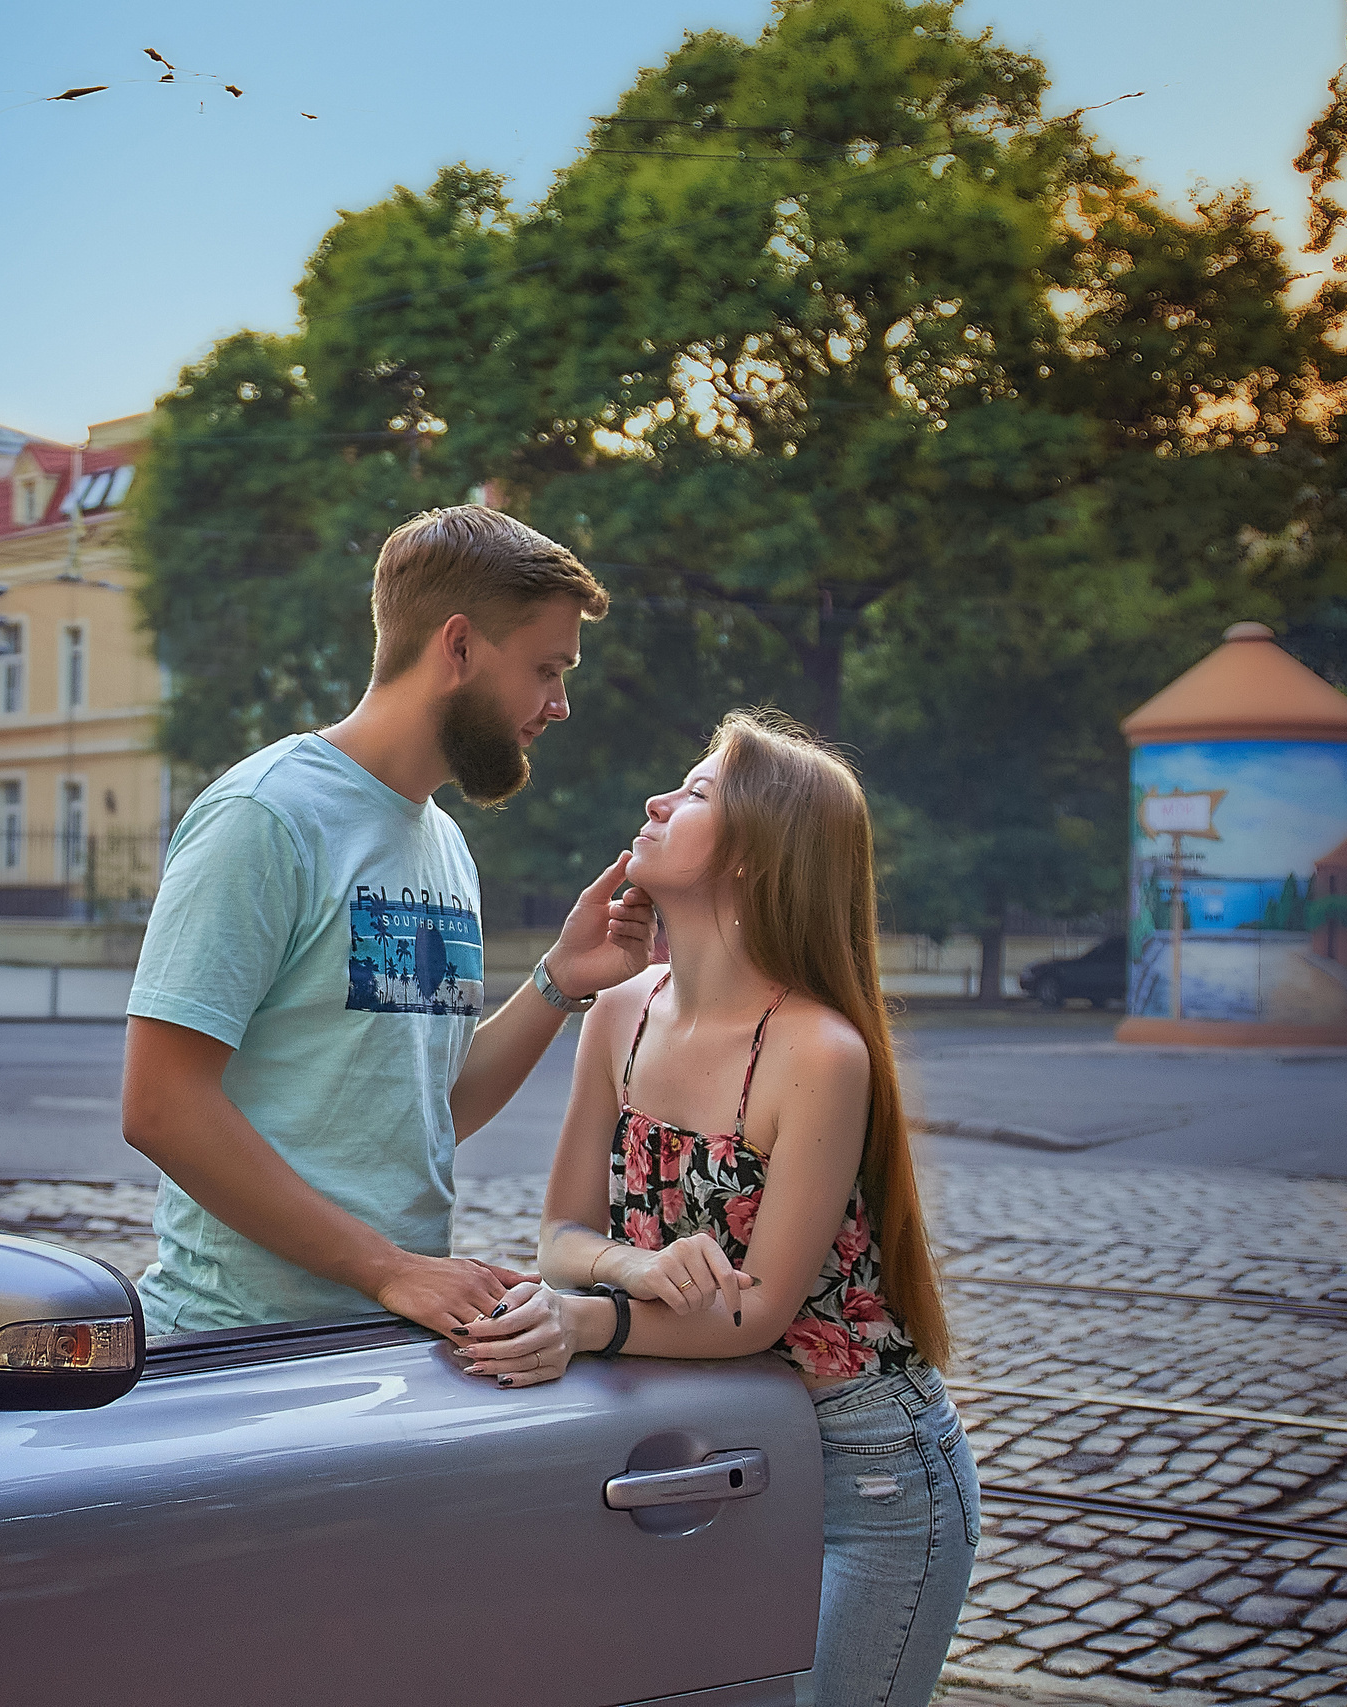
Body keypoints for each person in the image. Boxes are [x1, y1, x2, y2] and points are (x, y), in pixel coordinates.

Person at [456, 709, 974, 1707]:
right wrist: (632, 1267)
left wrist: (586, 1322)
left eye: (695, 792)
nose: (656, 801)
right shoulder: (619, 1012)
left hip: (868, 1477)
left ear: (753, 856)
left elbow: (755, 1312)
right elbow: (561, 1239)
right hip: (715, 1444)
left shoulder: (819, 1052)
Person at [120, 505, 647, 1339]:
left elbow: (428, 1111)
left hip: (380, 1343)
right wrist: (389, 1267)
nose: (560, 704)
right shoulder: (266, 815)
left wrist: (558, 981)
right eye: (547, 668)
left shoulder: (446, 846)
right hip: (230, 1347)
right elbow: (160, 1105)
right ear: (459, 646)